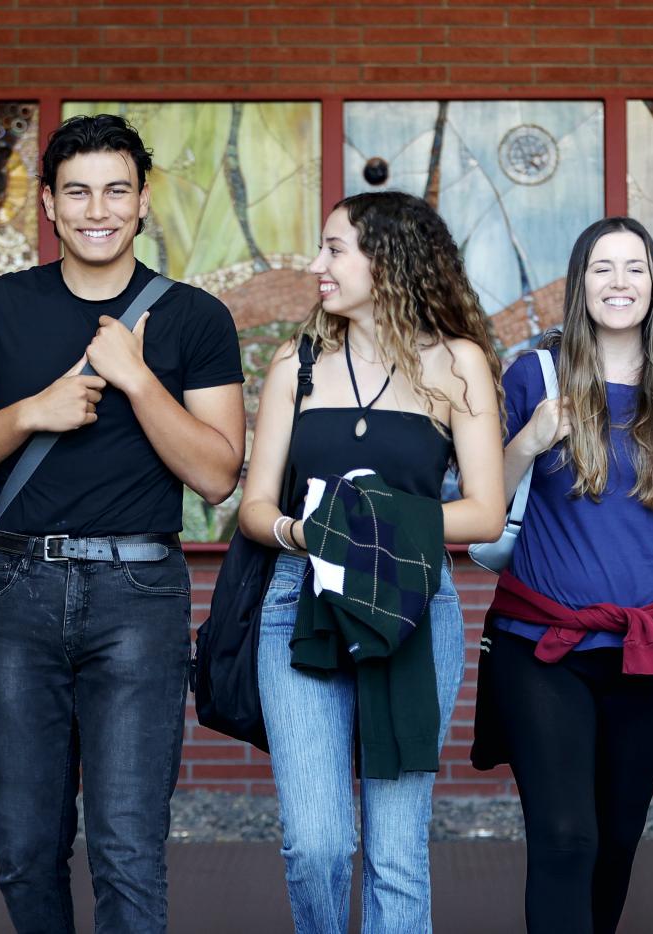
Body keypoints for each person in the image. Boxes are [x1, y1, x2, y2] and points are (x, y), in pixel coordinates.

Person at [0, 114, 246, 933]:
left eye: (115, 190)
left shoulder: (195, 318)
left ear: (142, 203)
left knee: (128, 847)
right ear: (48, 204)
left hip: (138, 591)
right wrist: (32, 412)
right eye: (77, 191)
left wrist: (136, 381)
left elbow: (217, 472)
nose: (96, 209)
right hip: (17, 588)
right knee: (26, 845)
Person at [236, 190, 504, 933]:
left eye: (334, 249)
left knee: (396, 852)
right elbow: (255, 507)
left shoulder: (459, 364)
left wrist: (367, 527)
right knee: (317, 844)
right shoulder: (298, 363)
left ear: (389, 260)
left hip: (415, 609)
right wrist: (304, 533)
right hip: (301, 603)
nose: (318, 265)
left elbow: (484, 511)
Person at [469, 216, 653, 934]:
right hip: (541, 648)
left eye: (634, 269)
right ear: (579, 285)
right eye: (602, 269)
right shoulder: (533, 375)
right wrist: (528, 440)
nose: (618, 283)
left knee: (616, 841)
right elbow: (481, 504)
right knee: (567, 837)